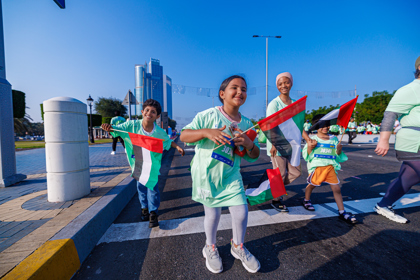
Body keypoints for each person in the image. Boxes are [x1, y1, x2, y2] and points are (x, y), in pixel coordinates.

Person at [180, 75, 261, 274]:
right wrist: (207, 132)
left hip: (231, 175)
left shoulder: (248, 124)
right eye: (235, 88)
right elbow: (184, 135)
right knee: (213, 214)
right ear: (222, 94)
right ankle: (210, 247)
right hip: (207, 176)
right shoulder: (208, 115)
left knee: (241, 212)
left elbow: (255, 154)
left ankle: (238, 246)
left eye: (244, 89)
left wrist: (249, 144)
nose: (240, 92)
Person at [102, 99, 185, 228]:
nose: (149, 113)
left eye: (153, 112)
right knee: (140, 187)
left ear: (157, 116)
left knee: (153, 188)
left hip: (152, 164)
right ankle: (144, 208)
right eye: (147, 110)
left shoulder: (159, 132)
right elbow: (117, 130)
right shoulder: (132, 125)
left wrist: (178, 147)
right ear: (142, 112)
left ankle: (153, 213)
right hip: (138, 162)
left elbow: (168, 142)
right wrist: (109, 127)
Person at [374, 55, 420, 223]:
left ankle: (383, 205)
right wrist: (383, 140)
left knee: (409, 179)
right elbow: (390, 114)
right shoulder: (411, 89)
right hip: (413, 142)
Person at [266, 72, 314, 212]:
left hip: (293, 144)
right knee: (280, 174)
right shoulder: (274, 104)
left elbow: (298, 125)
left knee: (295, 173)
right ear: (277, 86)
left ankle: (273, 186)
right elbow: (270, 125)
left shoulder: (294, 104)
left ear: (291, 83)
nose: (283, 86)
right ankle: (276, 198)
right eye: (280, 84)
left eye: (286, 82)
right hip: (277, 143)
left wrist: (308, 139)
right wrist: (274, 144)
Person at [301, 114, 358, 224]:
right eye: (323, 125)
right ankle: (306, 200)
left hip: (330, 167)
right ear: (316, 126)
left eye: (327, 125)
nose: (326, 127)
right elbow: (307, 156)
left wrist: (339, 150)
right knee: (311, 186)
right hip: (317, 168)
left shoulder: (334, 139)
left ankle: (342, 212)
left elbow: (338, 156)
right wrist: (310, 147)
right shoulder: (313, 139)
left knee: (336, 189)